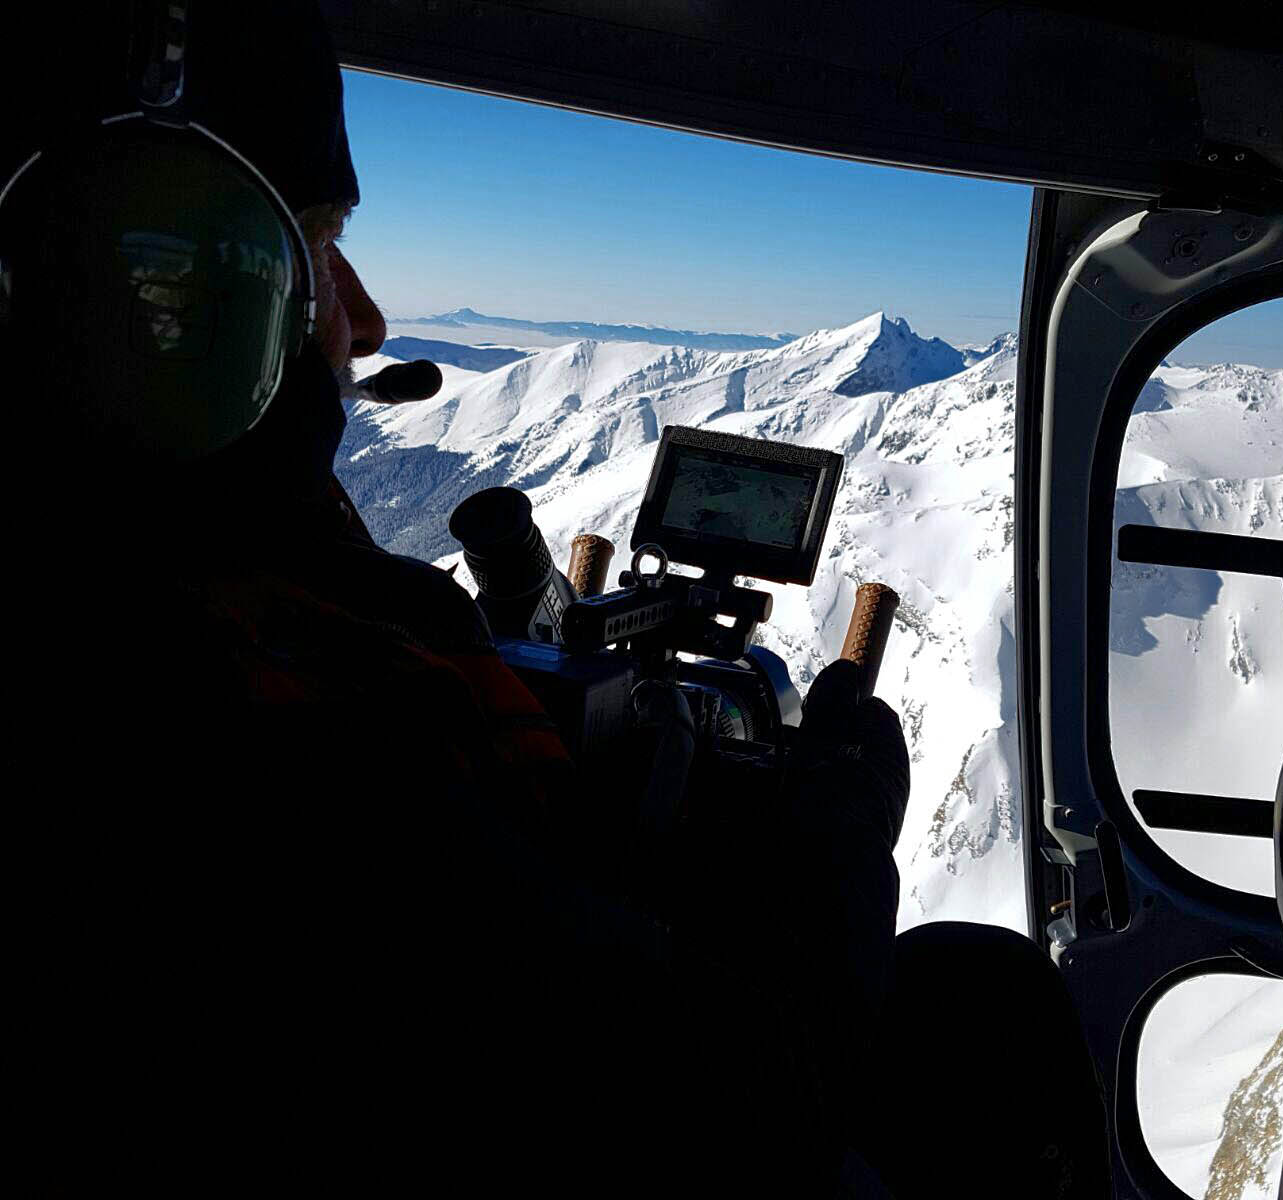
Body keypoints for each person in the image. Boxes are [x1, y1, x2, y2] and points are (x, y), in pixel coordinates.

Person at [8, 4, 1108, 1194]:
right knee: (991, 1011)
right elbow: (733, 1100)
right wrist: (839, 850)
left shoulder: (179, 612)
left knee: (955, 979)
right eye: (315, 245)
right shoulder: (261, 727)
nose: (365, 321)